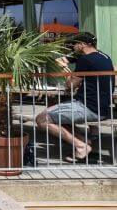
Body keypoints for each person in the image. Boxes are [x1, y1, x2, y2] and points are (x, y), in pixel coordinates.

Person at [36, 32, 115, 161]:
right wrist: (67, 62)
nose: (73, 47)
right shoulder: (104, 56)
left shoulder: (86, 59)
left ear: (83, 44)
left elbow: (70, 85)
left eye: (75, 44)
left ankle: (80, 146)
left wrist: (66, 73)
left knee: (41, 119)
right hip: (102, 107)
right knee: (51, 111)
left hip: (87, 107)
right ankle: (84, 142)